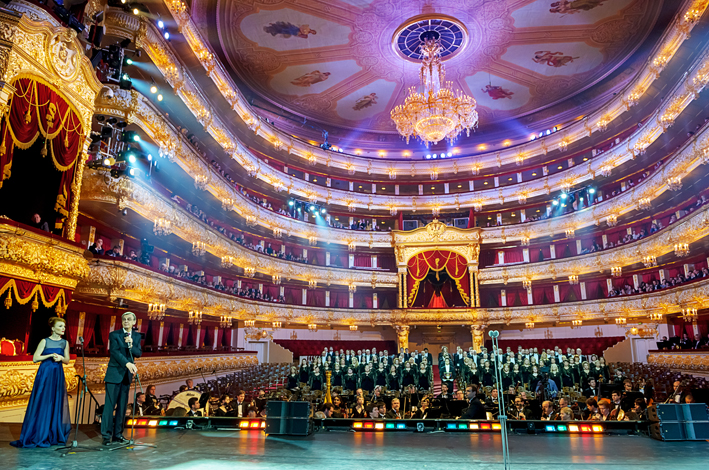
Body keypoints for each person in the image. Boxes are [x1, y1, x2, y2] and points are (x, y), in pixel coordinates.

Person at [11, 317, 71, 448]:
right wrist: (49, 355)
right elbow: (35, 358)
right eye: (60, 326)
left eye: (64, 327)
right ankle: (38, 434)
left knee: (54, 402)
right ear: (53, 328)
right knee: (42, 401)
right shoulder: (45, 341)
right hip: (45, 373)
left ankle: (52, 434)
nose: (63, 329)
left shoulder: (64, 343)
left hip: (57, 375)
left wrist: (61, 357)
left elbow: (67, 360)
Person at [101, 311, 142, 446]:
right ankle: (106, 436)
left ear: (133, 322)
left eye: (129, 319)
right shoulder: (114, 335)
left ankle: (118, 435)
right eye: (124, 319)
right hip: (114, 374)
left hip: (126, 376)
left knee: (122, 407)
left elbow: (138, 353)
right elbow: (114, 352)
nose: (126, 321)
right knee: (109, 406)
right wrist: (127, 363)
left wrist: (132, 345)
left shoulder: (136, 336)